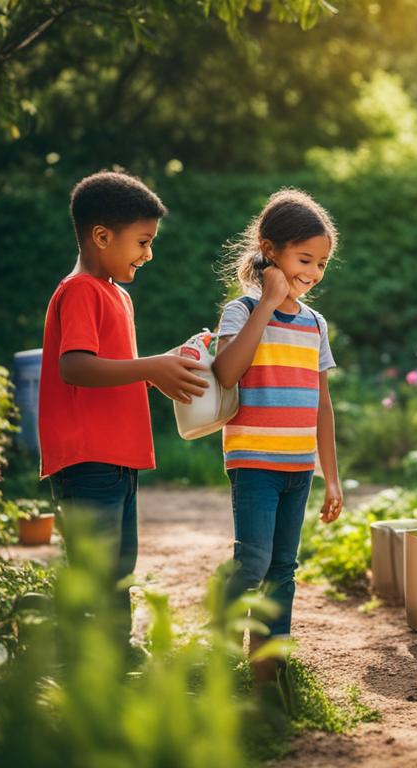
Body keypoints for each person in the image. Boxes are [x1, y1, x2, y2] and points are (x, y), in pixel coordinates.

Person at [40, 170, 209, 640]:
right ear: (101, 236)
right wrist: (149, 367)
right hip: (87, 459)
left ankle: (115, 665)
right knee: (95, 579)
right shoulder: (80, 291)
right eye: (142, 242)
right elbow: (74, 367)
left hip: (117, 460)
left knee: (118, 572)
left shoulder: (117, 295)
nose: (148, 254)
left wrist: (162, 370)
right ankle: (86, 674)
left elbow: (113, 369)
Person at [212, 188, 342, 677]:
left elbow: (322, 404)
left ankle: (269, 664)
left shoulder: (315, 324)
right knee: (252, 562)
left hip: (297, 467)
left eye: (322, 263)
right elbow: (227, 373)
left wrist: (331, 477)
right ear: (270, 250)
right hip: (253, 464)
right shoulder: (242, 312)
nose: (311, 272)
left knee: (282, 570)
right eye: (303, 258)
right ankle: (221, 648)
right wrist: (267, 302)